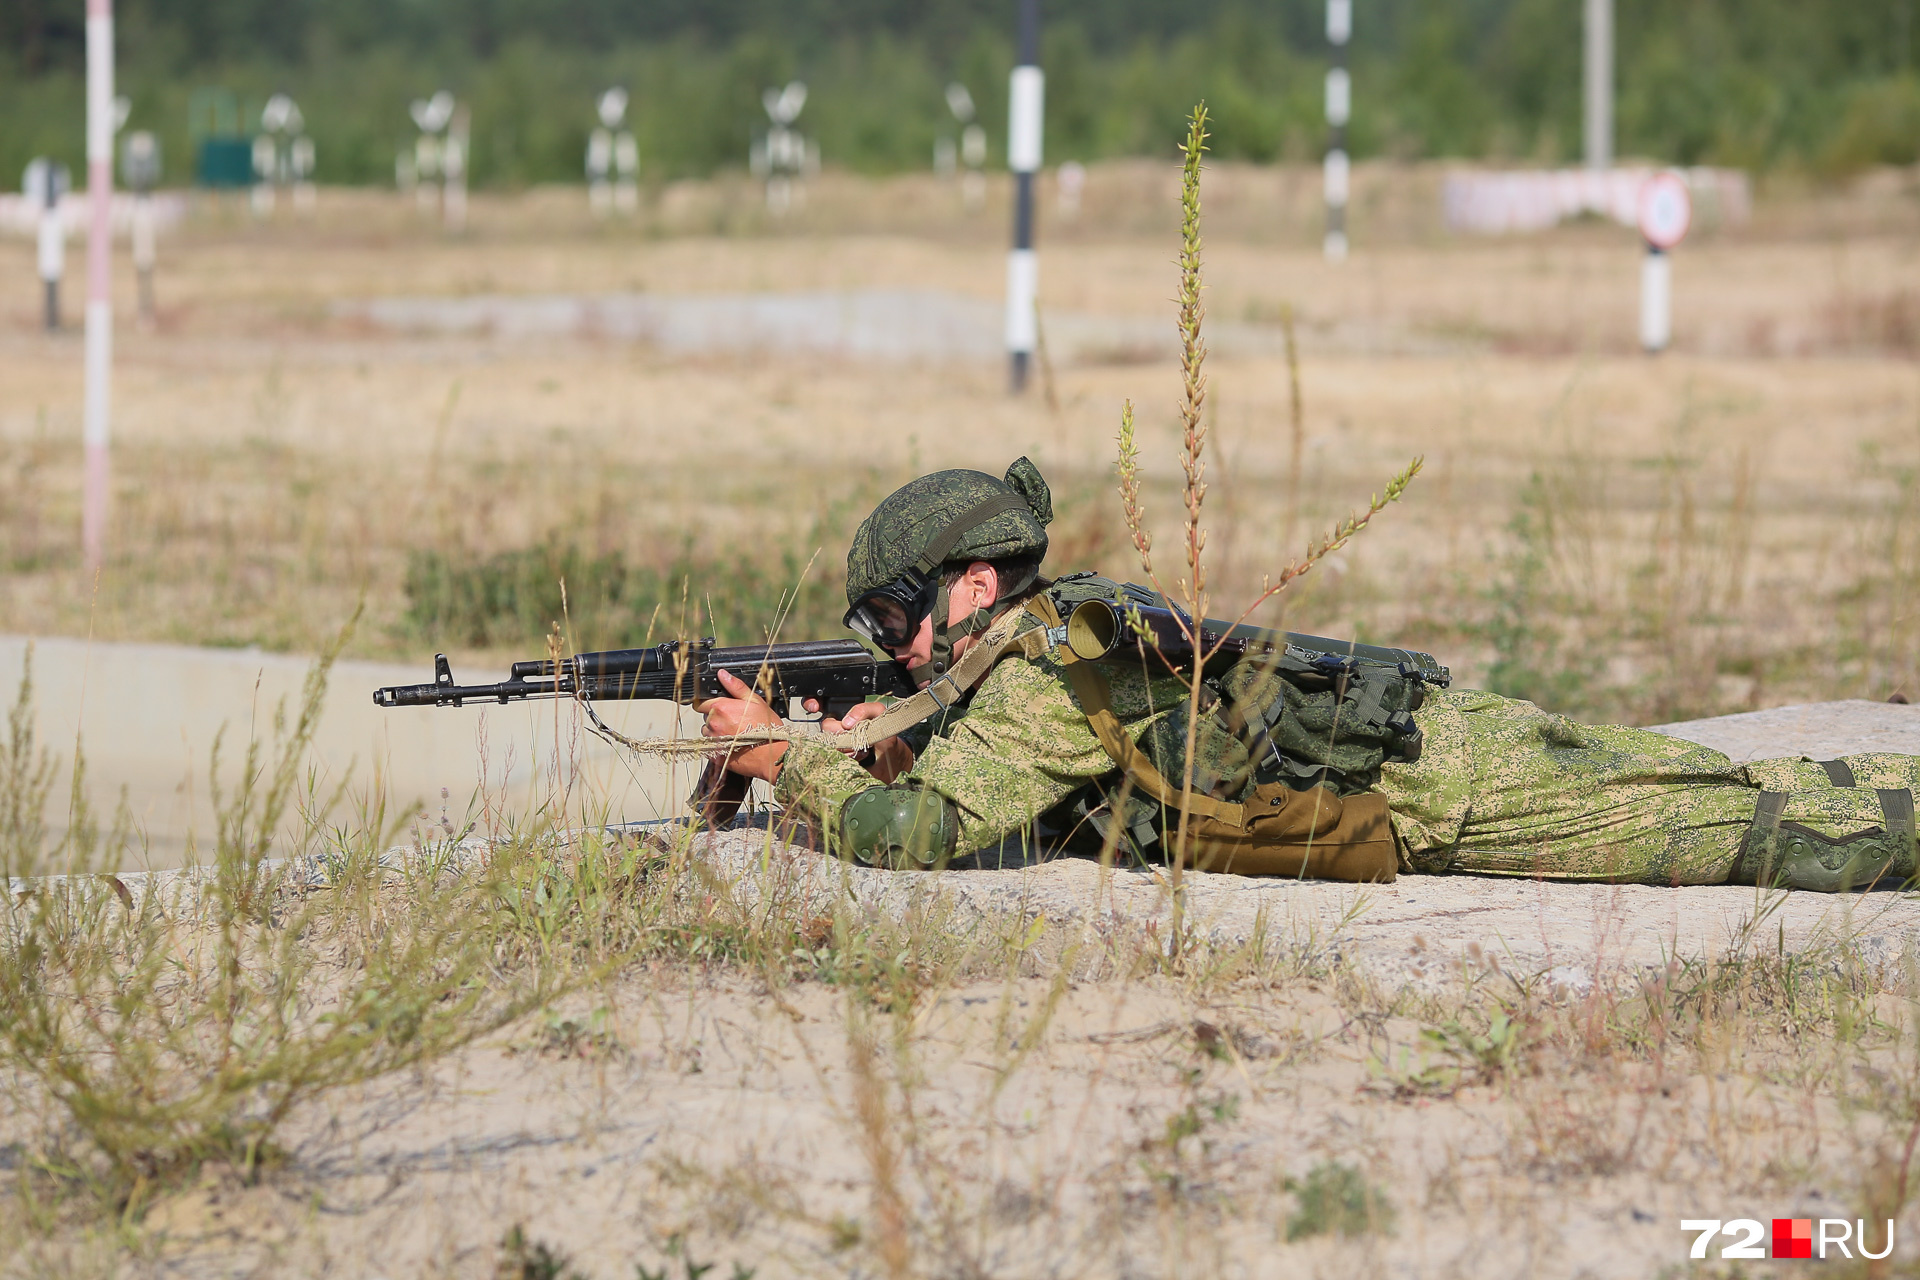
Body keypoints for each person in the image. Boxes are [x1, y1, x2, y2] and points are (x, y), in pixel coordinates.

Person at [697, 459, 1918, 891]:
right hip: (1418, 755)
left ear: (972, 587)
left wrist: (780, 753)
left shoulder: (1037, 669)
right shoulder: (1032, 649)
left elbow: (915, 835)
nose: (890, 640)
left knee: (1751, 835)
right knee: (1727, 791)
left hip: (1444, 785)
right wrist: (902, 732)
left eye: (898, 613)